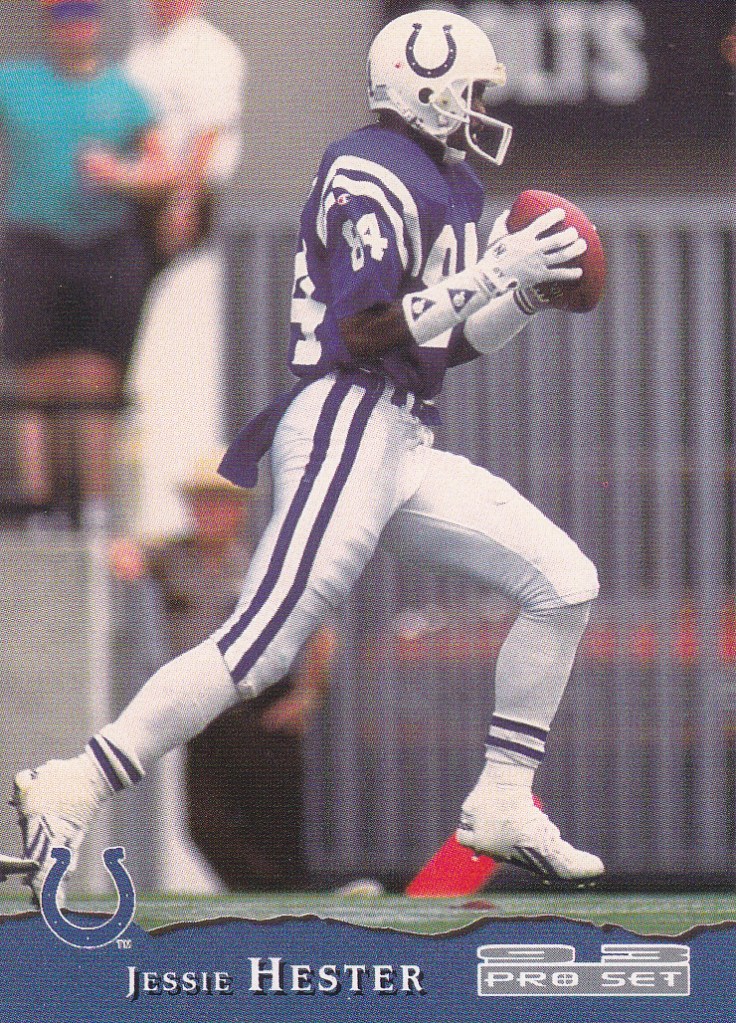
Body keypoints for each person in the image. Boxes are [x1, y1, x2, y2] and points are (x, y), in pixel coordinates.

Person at [9, 9, 604, 904]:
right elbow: (363, 331)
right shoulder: (368, 167)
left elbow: (443, 343)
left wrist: (517, 296)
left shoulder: (450, 181)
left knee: (564, 583)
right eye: (472, 90)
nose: (482, 108)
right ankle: (74, 782)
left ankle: (503, 797)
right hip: (343, 422)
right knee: (256, 648)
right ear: (429, 86)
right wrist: (491, 272)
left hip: (400, 431)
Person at [112, 451, 337, 889]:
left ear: (239, 510)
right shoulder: (173, 557)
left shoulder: (264, 564)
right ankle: (264, 900)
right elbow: (125, 551)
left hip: (261, 705)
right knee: (205, 824)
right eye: (200, 502)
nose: (209, 512)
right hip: (205, 709)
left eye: (219, 502)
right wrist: (126, 554)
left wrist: (307, 697)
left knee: (272, 826)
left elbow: (321, 630)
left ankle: (290, 905)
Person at [0, 0, 174, 528]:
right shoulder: (17, 82)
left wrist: (120, 175)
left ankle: (95, 509)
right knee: (36, 380)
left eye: (82, 13)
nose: (73, 25)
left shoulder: (125, 92)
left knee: (97, 381)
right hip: (33, 243)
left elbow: (162, 171)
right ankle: (39, 508)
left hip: (105, 247)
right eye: (62, 15)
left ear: (97, 21)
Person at [123, 0, 247, 541]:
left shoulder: (209, 49)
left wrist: (183, 202)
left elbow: (208, 133)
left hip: (183, 212)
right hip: (137, 208)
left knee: (180, 359)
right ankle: (146, 518)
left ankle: (181, 517)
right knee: (144, 369)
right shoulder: (143, 51)